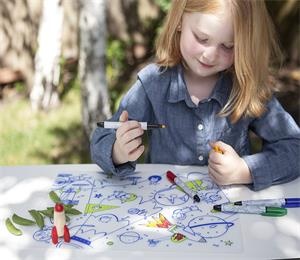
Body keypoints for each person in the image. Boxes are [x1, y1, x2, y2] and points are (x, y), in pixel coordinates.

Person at [91, 0, 300, 191]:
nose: (209, 55)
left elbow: (294, 147)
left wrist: (245, 170)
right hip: (163, 210)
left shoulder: (246, 86)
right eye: (202, 38)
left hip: (233, 218)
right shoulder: (153, 83)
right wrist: (118, 151)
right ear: (180, 21)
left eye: (228, 46)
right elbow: (101, 139)